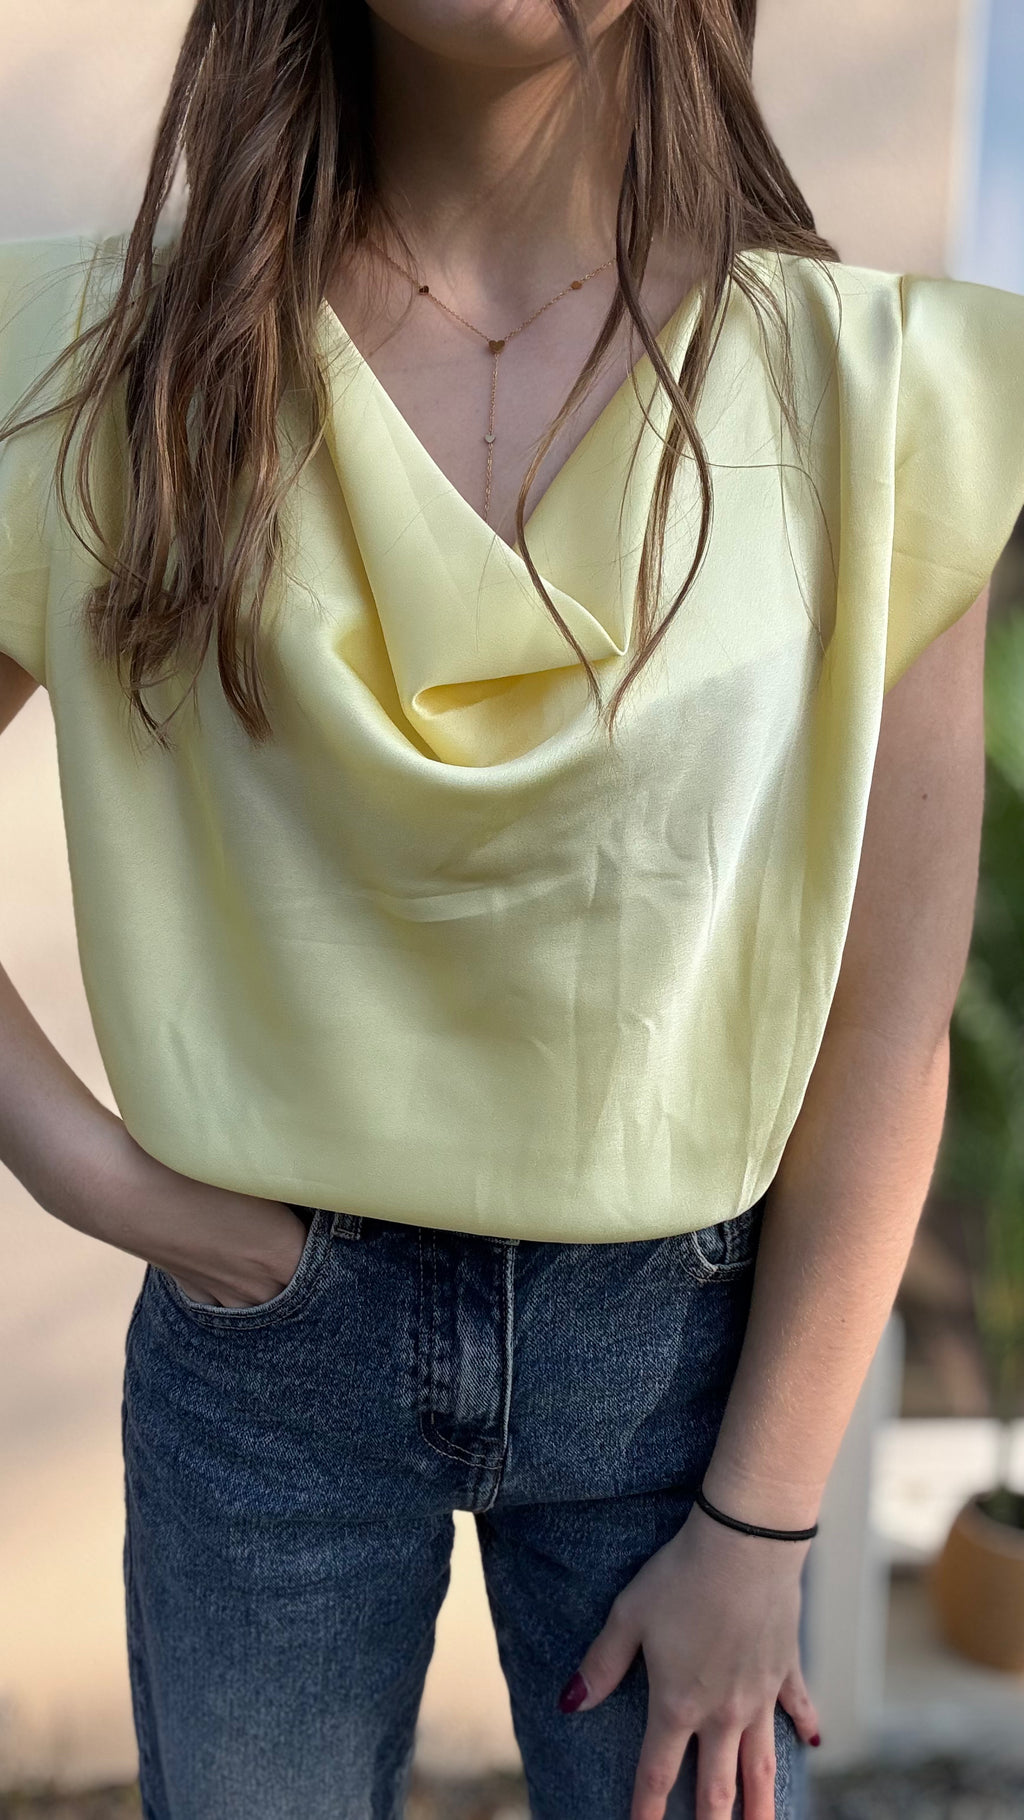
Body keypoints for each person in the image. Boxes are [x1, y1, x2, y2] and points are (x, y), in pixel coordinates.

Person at [2, 1, 1024, 1816]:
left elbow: (888, 1016)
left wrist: (764, 1519)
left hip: (685, 1380)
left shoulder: (871, 395)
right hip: (263, 1356)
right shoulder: (109, 360)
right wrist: (92, 1175)